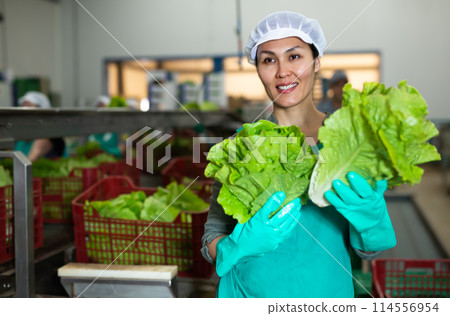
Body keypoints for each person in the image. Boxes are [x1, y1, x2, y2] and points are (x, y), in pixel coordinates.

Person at [200, 11, 396, 298]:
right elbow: (211, 241)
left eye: (294, 57)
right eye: (269, 60)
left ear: (317, 61)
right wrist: (238, 246)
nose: (282, 71)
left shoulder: (349, 140)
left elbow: (369, 251)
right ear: (258, 69)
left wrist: (372, 218)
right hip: (247, 296)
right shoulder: (241, 146)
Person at [14, 91, 66, 162]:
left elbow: (29, 161)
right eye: (23, 106)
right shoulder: (22, 138)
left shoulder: (46, 136)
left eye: (28, 106)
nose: (24, 110)